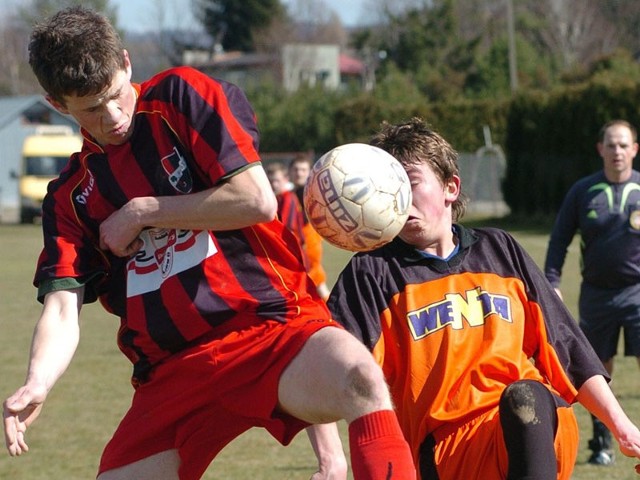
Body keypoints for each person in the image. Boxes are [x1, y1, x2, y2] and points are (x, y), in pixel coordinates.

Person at [2, 7, 417, 480]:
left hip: (270, 329)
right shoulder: (71, 198)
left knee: (361, 379)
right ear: (58, 105)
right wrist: (38, 381)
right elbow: (60, 308)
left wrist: (142, 212)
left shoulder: (182, 96)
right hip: (171, 375)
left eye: (115, 94)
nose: (113, 115)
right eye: (92, 108)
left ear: (126, 62)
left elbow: (255, 199)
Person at [323, 117, 640, 479]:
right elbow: (330, 367)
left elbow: (566, 348)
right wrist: (331, 456)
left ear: (451, 187)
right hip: (446, 451)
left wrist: (622, 426)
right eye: (385, 188)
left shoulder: (499, 250)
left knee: (525, 397)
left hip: (535, 428)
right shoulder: (372, 275)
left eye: (409, 184)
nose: (397, 199)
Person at [544, 119, 640, 466]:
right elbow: (559, 240)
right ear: (601, 149)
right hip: (596, 296)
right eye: (610, 145)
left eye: (623, 144)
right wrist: (552, 281)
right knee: (597, 372)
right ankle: (602, 443)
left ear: (634, 149)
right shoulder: (583, 191)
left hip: (638, 293)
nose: (617, 151)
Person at [288, 153, 331, 300]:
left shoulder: (315, 193)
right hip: (294, 242)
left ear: (310, 172)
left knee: (315, 281)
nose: (299, 173)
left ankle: (332, 315)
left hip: (309, 239)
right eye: (296, 169)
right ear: (290, 172)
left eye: (303, 170)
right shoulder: (287, 195)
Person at [266, 161, 307, 255]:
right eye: (271, 181)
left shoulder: (288, 198)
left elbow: (287, 228)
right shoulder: (277, 197)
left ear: (286, 179)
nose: (274, 184)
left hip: (291, 249)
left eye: (277, 180)